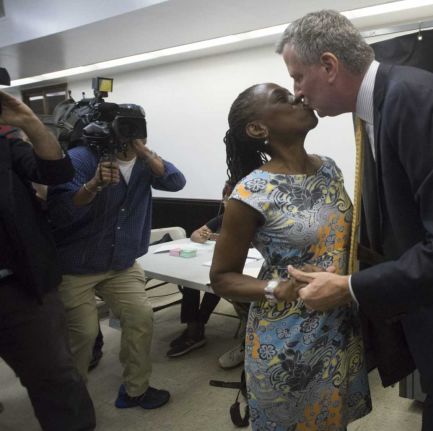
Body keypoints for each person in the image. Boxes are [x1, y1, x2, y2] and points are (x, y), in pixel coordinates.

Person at [277, 10, 433, 431]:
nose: (297, 92)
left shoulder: (414, 103)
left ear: (328, 66)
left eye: (298, 77)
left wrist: (349, 288)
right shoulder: (388, 102)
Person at [209, 83, 371, 430]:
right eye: (282, 98)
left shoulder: (329, 169)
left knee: (333, 422)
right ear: (258, 129)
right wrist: (274, 288)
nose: (298, 97)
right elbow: (221, 277)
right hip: (287, 339)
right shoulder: (250, 192)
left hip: (338, 326)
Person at [46, 117, 186, 410]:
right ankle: (71, 404)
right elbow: (62, 211)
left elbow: (176, 182)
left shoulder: (147, 162)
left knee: (140, 318)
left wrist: (145, 153)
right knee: (82, 335)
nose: (135, 138)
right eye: (128, 131)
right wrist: (94, 184)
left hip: (121, 262)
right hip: (77, 264)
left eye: (140, 131)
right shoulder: (81, 159)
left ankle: (136, 389)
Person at [0, 91, 96, 430]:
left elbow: (55, 172)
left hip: (18, 284)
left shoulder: (6, 143)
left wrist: (28, 121)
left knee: (55, 375)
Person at [166, 180, 233, 358]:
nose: (227, 202)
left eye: (231, 199)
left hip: (231, 268)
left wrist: (219, 239)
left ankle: (196, 328)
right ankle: (193, 327)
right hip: (207, 263)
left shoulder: (249, 221)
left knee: (215, 285)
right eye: (225, 199)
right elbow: (196, 234)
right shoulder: (220, 219)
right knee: (190, 282)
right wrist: (206, 236)